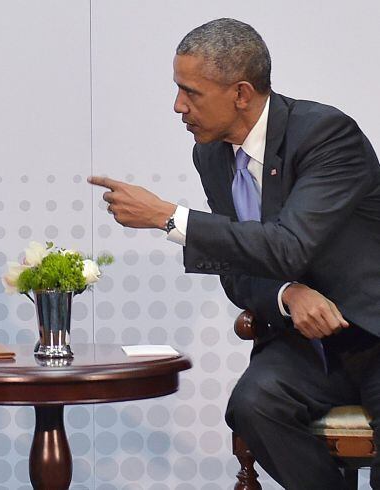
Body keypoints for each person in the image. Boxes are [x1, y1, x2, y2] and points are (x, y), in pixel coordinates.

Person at [89, 18, 380, 490]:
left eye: (191, 92)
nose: (178, 106)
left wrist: (169, 217)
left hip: (373, 330)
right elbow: (236, 266)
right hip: (308, 346)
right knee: (252, 405)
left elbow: (289, 244)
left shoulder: (327, 135)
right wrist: (287, 294)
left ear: (241, 93)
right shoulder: (212, 154)